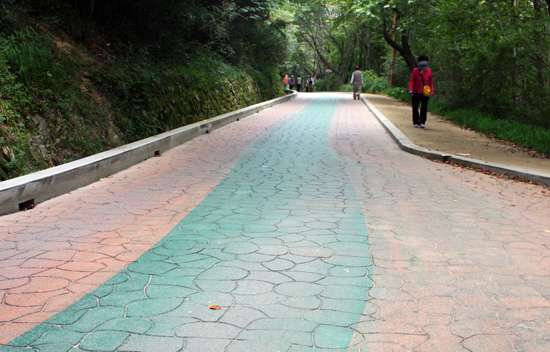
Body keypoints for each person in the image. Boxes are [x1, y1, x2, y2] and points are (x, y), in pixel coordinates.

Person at [408, 55, 434, 128]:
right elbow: (412, 81)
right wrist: (410, 90)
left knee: (424, 107)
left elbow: (431, 82)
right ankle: (416, 122)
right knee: (415, 107)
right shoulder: (415, 71)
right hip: (416, 91)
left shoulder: (429, 71)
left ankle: (422, 122)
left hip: (425, 92)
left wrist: (432, 91)